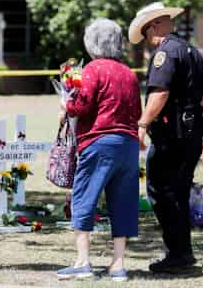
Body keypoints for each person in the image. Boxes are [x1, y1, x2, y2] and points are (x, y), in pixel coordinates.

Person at [57, 18, 141, 282]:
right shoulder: (129, 73)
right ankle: (118, 265)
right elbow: (137, 112)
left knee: (84, 197)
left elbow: (80, 107)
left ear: (92, 42)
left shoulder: (93, 70)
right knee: (124, 202)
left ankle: (83, 262)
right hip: (128, 145)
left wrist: (65, 105)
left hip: (99, 142)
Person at [129, 2, 203, 273]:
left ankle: (178, 254)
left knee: (161, 192)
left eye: (146, 33)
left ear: (154, 26)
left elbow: (159, 93)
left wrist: (142, 123)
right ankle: (182, 252)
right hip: (192, 132)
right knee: (180, 192)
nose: (147, 40)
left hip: (172, 136)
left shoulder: (165, 53)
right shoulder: (191, 51)